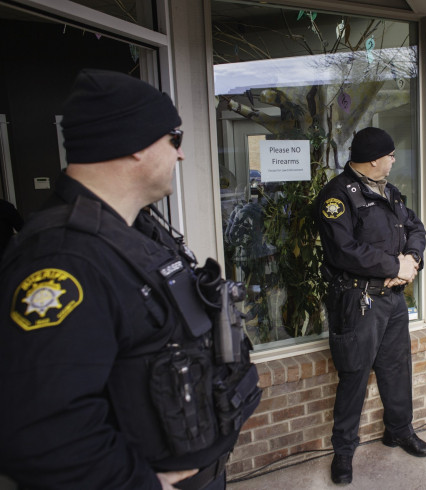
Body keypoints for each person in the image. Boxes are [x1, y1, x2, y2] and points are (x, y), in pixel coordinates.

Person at [0, 69, 261, 489]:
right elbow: (40, 432)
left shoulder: (135, 229)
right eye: (174, 139)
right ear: (134, 144)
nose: (180, 155)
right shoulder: (63, 261)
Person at [315, 127, 426, 485]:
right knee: (354, 376)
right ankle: (344, 451)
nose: (394, 159)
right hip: (358, 300)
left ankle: (399, 429)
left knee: (397, 369)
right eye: (391, 154)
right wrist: (394, 266)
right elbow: (344, 250)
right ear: (373, 159)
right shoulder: (337, 196)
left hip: (392, 299)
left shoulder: (388, 191)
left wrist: (411, 259)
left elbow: (415, 227)